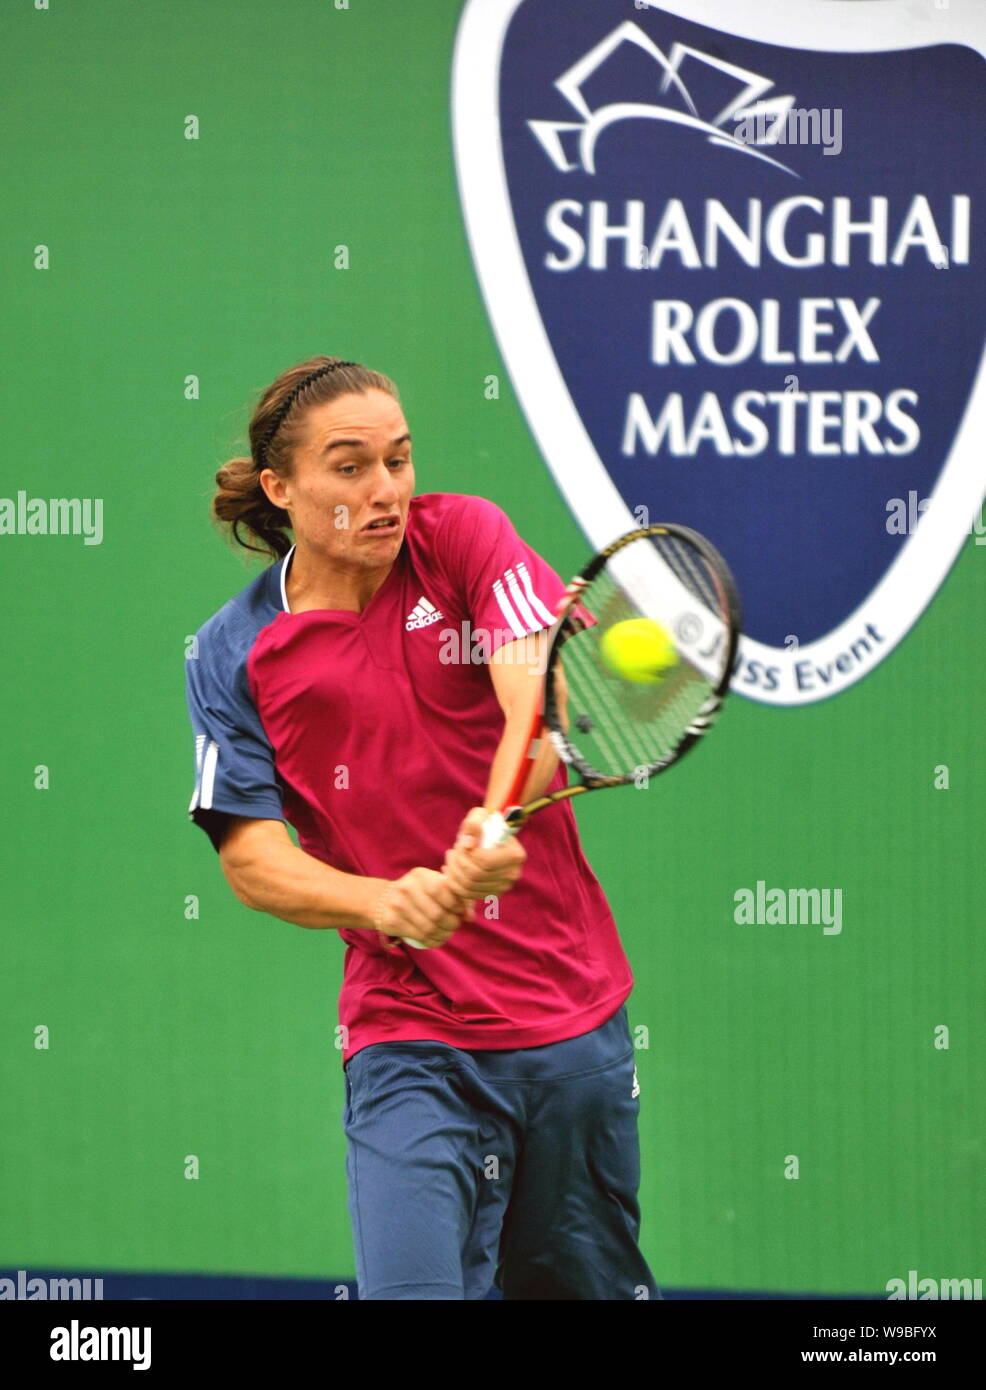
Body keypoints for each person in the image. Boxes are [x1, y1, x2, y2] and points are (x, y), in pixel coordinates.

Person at [184, 355, 661, 1301]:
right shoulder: (234, 651)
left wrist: (490, 823)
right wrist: (389, 900)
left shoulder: (466, 539)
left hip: (568, 1031)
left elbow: (535, 707)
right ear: (281, 489)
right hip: (408, 1035)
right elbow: (252, 858)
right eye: (351, 467)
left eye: (399, 461)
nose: (386, 490)